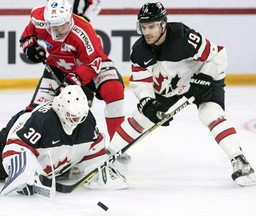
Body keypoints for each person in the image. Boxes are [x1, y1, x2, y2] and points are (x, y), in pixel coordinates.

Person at [0, 0, 128, 176]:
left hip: (90, 66)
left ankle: (117, 149)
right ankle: (1, 148)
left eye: (62, 24)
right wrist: (30, 47)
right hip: (58, 66)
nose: (58, 30)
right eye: (54, 25)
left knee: (113, 91)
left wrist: (73, 80)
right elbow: (27, 36)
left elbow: (93, 63)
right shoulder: (39, 18)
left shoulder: (83, 31)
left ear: (69, 17)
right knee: (33, 112)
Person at [107, 2, 256, 186]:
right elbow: (140, 83)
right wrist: (148, 102)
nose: (147, 32)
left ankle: (239, 161)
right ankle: (109, 155)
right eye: (143, 27)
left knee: (209, 113)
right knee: (142, 117)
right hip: (171, 84)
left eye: (152, 26)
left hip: (202, 78)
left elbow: (218, 55)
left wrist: (204, 77)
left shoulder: (184, 37)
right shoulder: (139, 50)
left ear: (163, 24)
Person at [0, 85, 127, 195]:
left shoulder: (86, 121)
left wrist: (99, 170)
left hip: (45, 161)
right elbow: (13, 148)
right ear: (60, 108)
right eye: (72, 115)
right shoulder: (43, 121)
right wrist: (23, 173)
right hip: (5, 145)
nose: (75, 120)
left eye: (79, 116)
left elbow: (95, 152)